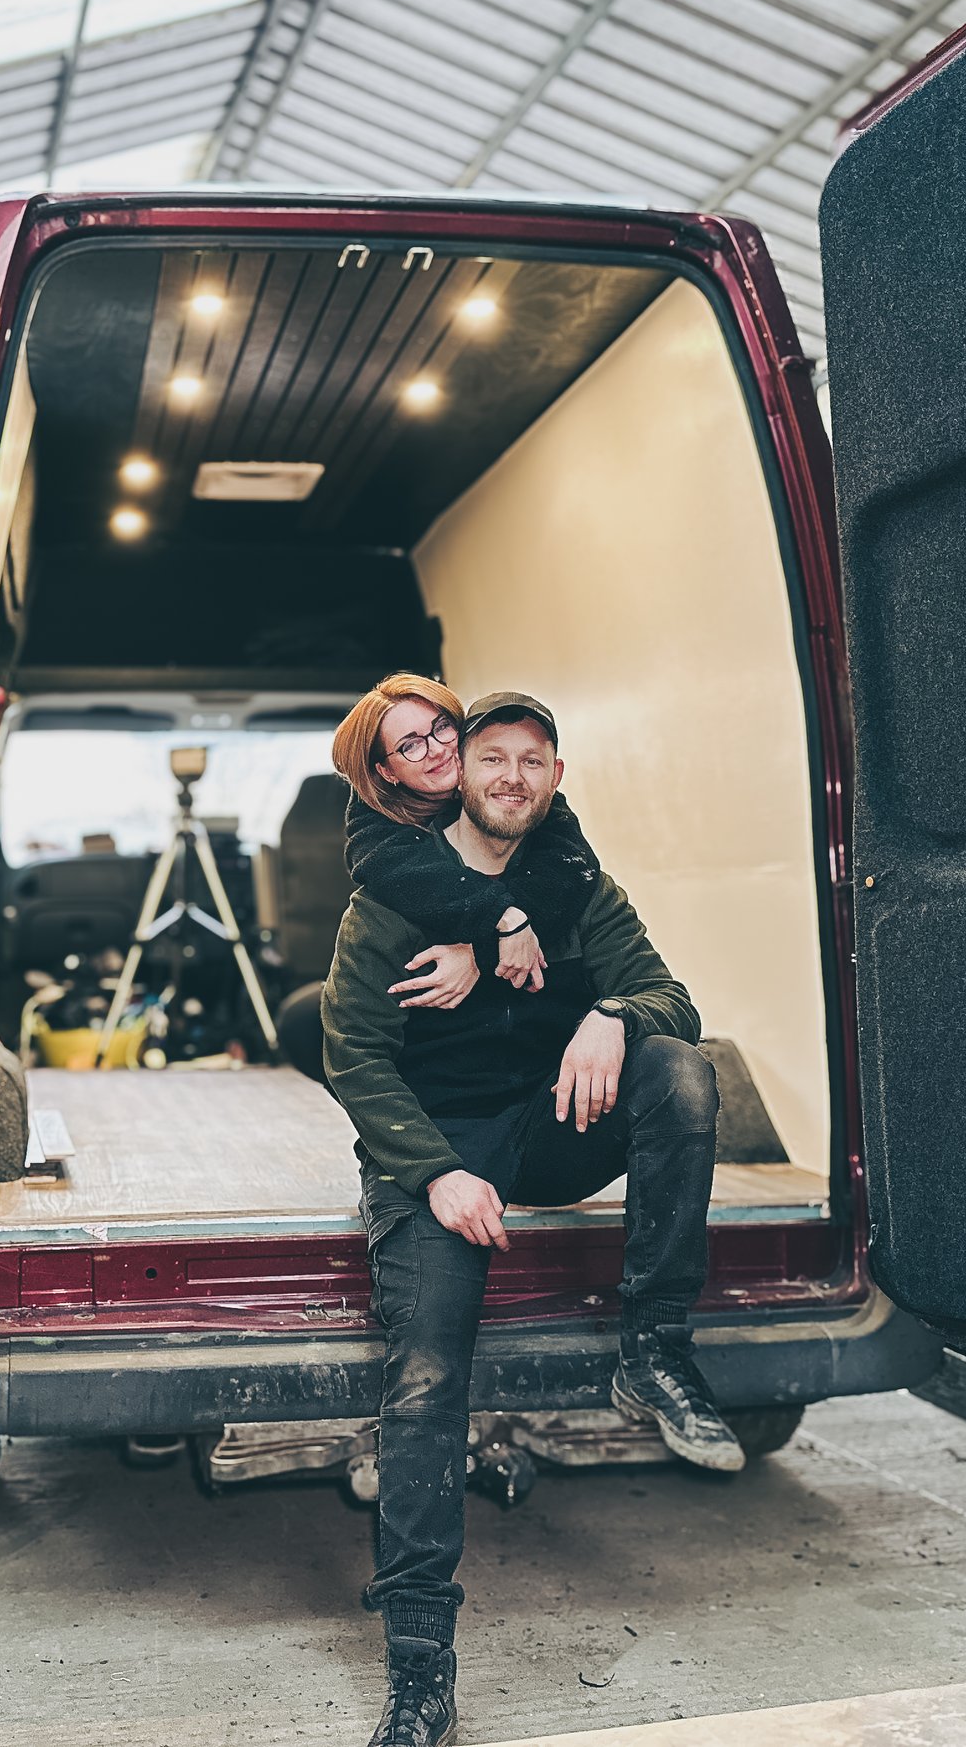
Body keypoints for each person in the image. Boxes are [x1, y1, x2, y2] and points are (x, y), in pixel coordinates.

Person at [321, 690, 737, 1747]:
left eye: (532, 760)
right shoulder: (395, 892)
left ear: (556, 778)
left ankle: (653, 1346)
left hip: (551, 1128)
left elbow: (667, 994)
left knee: (681, 1075)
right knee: (424, 1381)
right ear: (454, 778)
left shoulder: (569, 880)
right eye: (490, 757)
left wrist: (610, 1017)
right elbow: (354, 1055)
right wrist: (430, 1175)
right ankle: (419, 1665)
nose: (509, 776)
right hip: (443, 1149)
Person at [329, 673, 600, 1012]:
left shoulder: (509, 790)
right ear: (387, 771)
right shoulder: (376, 824)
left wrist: (479, 955)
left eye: (442, 727)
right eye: (410, 745)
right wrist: (499, 916)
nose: (438, 750)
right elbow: (397, 869)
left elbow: (571, 862)